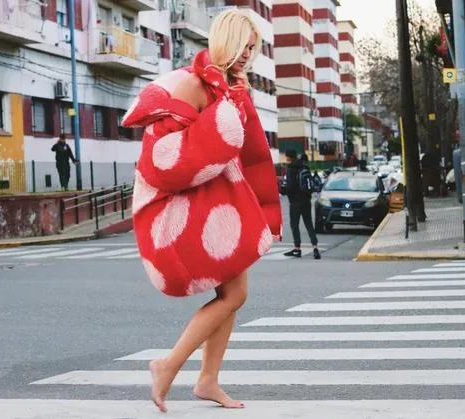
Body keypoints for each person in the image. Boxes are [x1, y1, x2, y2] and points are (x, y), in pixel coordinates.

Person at [120, 9, 282, 413]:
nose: (247, 54)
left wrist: (262, 210)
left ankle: (208, 380)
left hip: (226, 206)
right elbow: (164, 155)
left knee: (232, 294)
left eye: (252, 48)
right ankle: (169, 365)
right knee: (235, 294)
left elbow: (251, 154)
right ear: (224, 39)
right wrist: (219, 130)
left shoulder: (232, 88)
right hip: (201, 207)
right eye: (242, 45)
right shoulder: (193, 84)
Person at [282, 149, 321, 259]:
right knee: (309, 224)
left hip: (295, 202)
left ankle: (297, 249)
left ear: (288, 157)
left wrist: (282, 190)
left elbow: (290, 187)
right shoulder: (304, 167)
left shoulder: (291, 169)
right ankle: (315, 248)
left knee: (294, 225)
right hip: (306, 201)